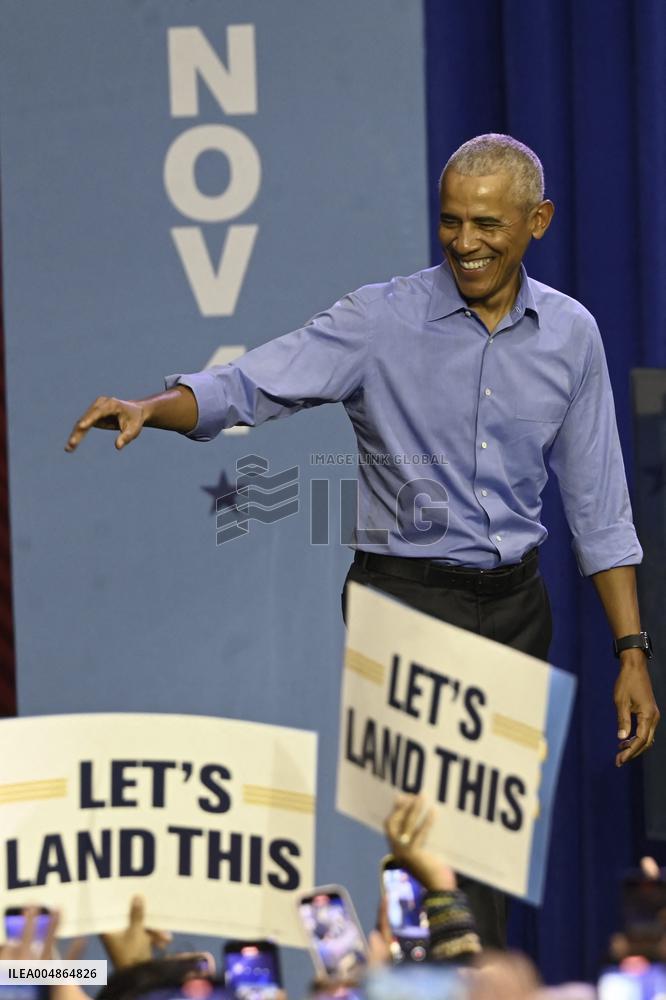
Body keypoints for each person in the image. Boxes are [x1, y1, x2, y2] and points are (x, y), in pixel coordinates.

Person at [66, 133, 659, 947]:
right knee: (423, 839)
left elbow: (599, 504)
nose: (464, 242)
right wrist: (150, 406)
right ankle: (429, 984)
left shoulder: (571, 335)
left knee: (487, 853)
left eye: (487, 223)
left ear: (537, 222)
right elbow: (248, 385)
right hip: (405, 601)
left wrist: (632, 648)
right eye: (449, 221)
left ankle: (461, 986)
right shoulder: (381, 319)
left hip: (518, 608)